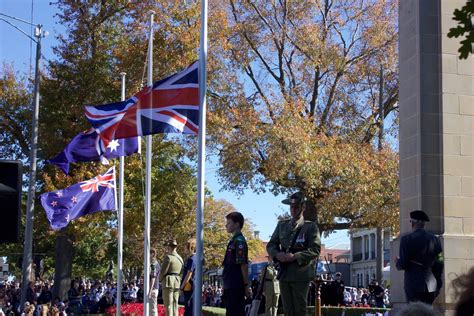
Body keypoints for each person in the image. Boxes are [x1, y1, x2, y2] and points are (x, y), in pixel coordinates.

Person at [266, 192, 321, 316]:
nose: (293, 210)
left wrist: (295, 256)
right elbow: (271, 245)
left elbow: (315, 250)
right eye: (291, 207)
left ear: (303, 208)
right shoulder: (282, 225)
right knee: (288, 311)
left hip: (301, 274)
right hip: (284, 274)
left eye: (296, 207)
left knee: (300, 310)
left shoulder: (310, 227)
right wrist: (277, 254)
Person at [396, 210, 443, 304]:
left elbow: (403, 264)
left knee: (414, 311)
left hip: (413, 282)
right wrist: (438, 281)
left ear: (412, 223)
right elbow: (440, 261)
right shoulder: (435, 240)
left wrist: (398, 262)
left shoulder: (406, 240)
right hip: (431, 282)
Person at [222, 211, 250, 316]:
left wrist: (246, 285)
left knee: (236, 312)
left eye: (229, 223)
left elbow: (243, 265)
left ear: (237, 224)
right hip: (229, 284)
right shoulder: (233, 241)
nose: (226, 225)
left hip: (236, 285)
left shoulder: (239, 241)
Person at [160, 239, 184, 316]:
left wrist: (160, 280)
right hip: (177, 282)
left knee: (168, 305)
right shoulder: (180, 259)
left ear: (169, 247)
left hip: (168, 282)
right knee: (175, 304)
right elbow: (181, 271)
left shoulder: (168, 257)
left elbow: (163, 271)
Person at [180, 238, 196, 316]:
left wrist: (181, 287)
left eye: (185, 247)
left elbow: (189, 274)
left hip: (189, 287)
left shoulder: (191, 260)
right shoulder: (195, 258)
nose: (184, 249)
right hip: (193, 286)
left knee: (188, 308)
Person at [149, 248, 161, 316]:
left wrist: (150, 290)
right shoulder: (152, 263)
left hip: (153, 289)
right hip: (152, 289)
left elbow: (153, 277)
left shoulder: (154, 264)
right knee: (150, 309)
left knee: (153, 309)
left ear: (153, 254)